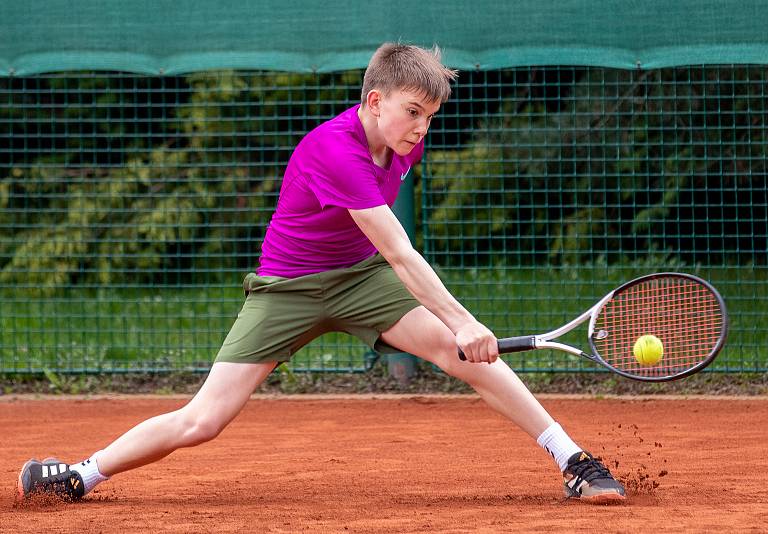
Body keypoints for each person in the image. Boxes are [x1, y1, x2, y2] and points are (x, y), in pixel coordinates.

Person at [17, 43, 625, 504]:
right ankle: (78, 474)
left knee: (457, 354)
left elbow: (381, 255)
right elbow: (399, 253)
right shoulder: (333, 150)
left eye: (431, 116)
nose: (421, 128)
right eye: (413, 111)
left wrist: (458, 334)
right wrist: (466, 319)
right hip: (289, 288)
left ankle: (572, 458)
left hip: (359, 279)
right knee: (204, 421)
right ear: (374, 101)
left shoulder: (406, 144)